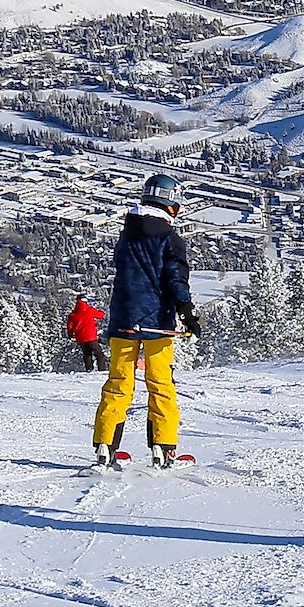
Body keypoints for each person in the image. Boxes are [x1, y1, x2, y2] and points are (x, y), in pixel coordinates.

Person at [91, 174, 202, 469]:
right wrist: (187, 311)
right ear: (172, 203)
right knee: (161, 384)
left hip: (123, 320)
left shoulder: (127, 234)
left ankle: (105, 448)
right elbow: (175, 278)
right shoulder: (169, 238)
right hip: (157, 324)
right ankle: (162, 450)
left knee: (118, 384)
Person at [65, 295, 105, 372]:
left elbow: (70, 327)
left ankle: (89, 369)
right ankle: (102, 369)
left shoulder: (73, 314)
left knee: (87, 354)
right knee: (99, 354)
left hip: (80, 338)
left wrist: (70, 335)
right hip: (91, 337)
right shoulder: (90, 310)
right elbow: (102, 315)